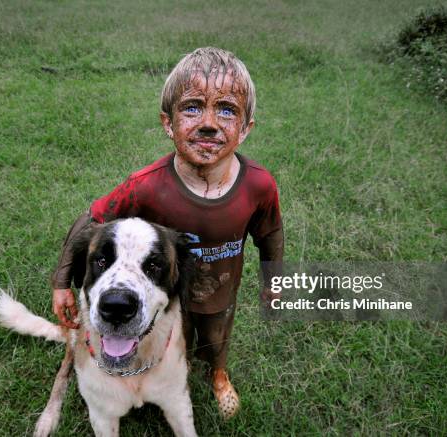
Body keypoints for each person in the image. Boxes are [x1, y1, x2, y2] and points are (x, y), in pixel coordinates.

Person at [51, 47, 284, 419]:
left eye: (226, 110)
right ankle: (172, 380)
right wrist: (62, 281)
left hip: (221, 289)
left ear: (245, 128)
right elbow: (90, 220)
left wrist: (274, 280)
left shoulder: (258, 186)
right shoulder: (145, 186)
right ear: (168, 122)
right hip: (165, 293)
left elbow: (270, 234)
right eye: (192, 107)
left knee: (216, 337)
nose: (208, 123)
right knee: (171, 340)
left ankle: (219, 375)